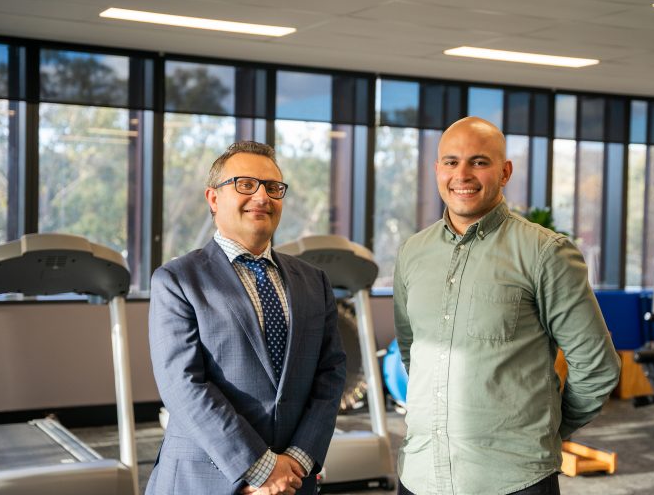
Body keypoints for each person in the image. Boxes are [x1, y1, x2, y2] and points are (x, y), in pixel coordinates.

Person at [393, 117, 621, 495]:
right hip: (420, 475)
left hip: (513, 480)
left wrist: (543, 430)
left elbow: (596, 367)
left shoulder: (545, 253)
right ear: (437, 170)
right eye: (451, 162)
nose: (461, 174)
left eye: (479, 162)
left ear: (505, 172)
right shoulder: (413, 252)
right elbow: (411, 352)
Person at [146, 141, 346, 495]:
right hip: (206, 479)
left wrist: (297, 460)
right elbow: (183, 385)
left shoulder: (314, 281)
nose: (262, 196)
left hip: (292, 482)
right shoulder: (177, 280)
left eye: (272, 187)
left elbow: (330, 374)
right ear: (213, 198)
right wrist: (262, 468)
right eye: (245, 184)